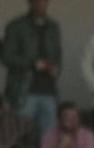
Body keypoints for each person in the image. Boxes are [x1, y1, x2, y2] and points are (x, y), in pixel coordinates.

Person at [2, 0, 62, 139]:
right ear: (29, 2)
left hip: (50, 93)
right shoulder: (16, 26)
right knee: (20, 138)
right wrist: (33, 63)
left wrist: (56, 69)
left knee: (48, 141)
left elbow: (58, 55)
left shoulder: (54, 27)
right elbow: (6, 56)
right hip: (23, 93)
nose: (40, 4)